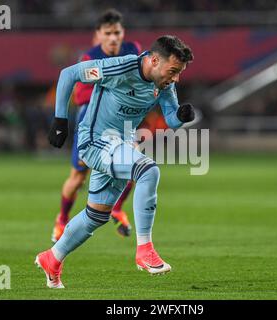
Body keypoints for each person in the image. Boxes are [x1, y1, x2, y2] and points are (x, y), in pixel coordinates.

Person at [35, 35, 195, 288]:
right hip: (96, 141)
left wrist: (181, 115)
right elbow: (69, 74)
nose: (176, 78)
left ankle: (52, 258)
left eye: (179, 73)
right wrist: (60, 120)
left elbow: (172, 120)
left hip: (121, 147)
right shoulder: (121, 67)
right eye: (174, 71)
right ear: (154, 60)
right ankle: (145, 250)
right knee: (148, 171)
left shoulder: (163, 85)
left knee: (95, 217)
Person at [51, 9, 141, 243]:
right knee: (78, 177)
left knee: (134, 166)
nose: (113, 37)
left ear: (123, 33)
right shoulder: (90, 59)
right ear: (98, 35)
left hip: (121, 122)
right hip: (91, 123)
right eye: (108, 33)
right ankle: (61, 219)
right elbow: (82, 95)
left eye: (117, 32)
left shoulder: (134, 51)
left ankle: (117, 208)